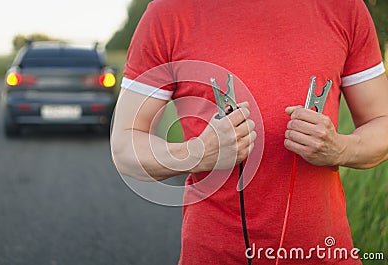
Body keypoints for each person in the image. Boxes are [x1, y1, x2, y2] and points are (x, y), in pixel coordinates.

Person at [110, 0, 388, 264]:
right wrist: (197, 153)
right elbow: (124, 146)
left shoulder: (345, 8)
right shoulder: (170, 12)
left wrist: (340, 149)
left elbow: (382, 122)